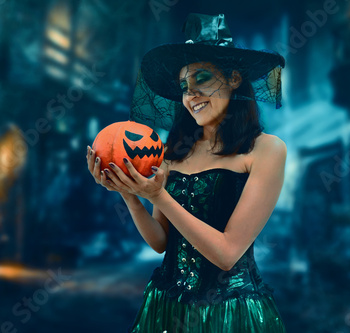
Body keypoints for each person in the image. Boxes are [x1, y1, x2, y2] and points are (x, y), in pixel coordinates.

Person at [87, 13, 287, 332]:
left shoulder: (268, 150)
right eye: (184, 85)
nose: (190, 94)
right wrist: (130, 193)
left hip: (230, 314)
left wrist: (159, 196)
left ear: (234, 78)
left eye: (202, 78)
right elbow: (161, 242)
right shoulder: (172, 151)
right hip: (167, 307)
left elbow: (227, 255)